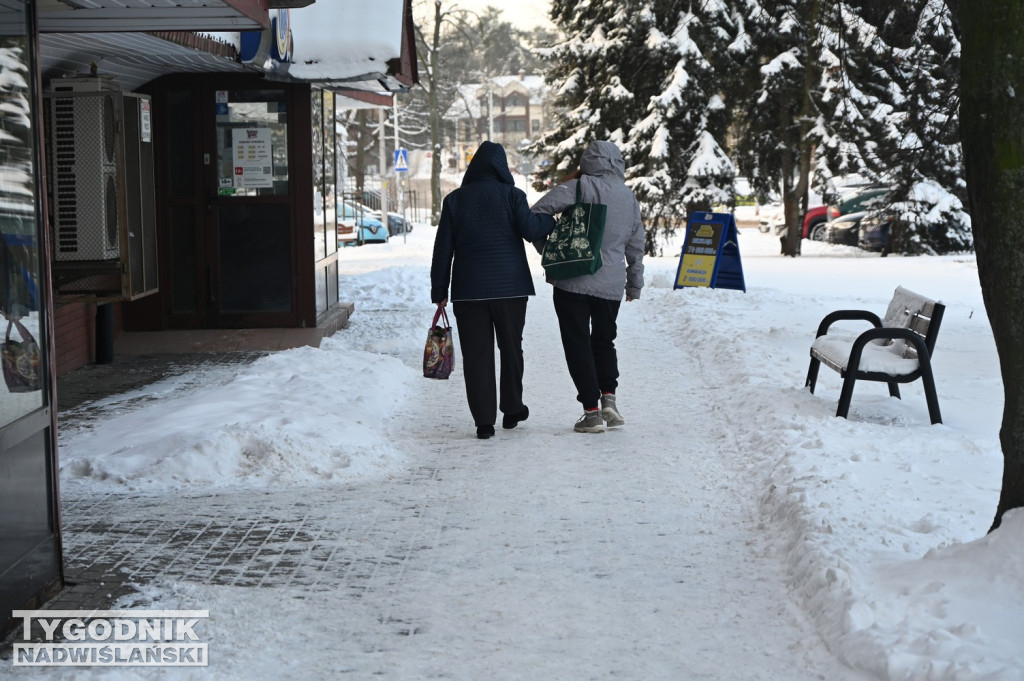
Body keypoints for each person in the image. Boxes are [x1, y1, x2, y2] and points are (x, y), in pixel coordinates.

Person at [430, 141, 556, 440]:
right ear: (502, 167)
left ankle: (484, 421)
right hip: (510, 290)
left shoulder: (455, 200)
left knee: (477, 355)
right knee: (511, 348)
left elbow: (442, 249)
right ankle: (512, 408)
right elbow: (531, 230)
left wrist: (439, 289)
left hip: (469, 291)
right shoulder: (513, 195)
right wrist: (550, 220)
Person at [531, 140, 645, 433]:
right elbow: (636, 246)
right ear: (618, 164)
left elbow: (535, 215)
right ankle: (609, 397)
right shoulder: (628, 197)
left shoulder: (576, 188)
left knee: (577, 343)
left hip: (572, 279)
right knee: (604, 340)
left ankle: (591, 412)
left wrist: (549, 248)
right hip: (610, 284)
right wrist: (634, 283)